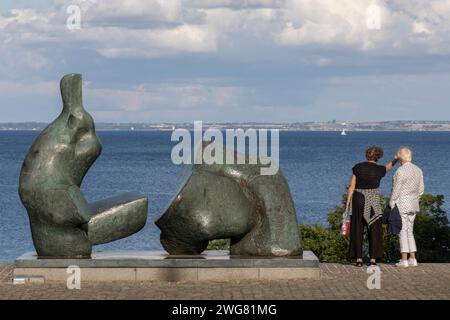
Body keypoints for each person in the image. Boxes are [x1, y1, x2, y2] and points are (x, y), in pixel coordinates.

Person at [345, 146, 399, 267]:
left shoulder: (357, 167)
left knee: (357, 229)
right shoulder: (380, 169)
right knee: (375, 229)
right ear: (378, 157)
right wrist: (395, 159)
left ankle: (358, 259)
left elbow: (351, 187)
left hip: (358, 198)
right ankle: (373, 259)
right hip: (373, 199)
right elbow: (389, 167)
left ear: (366, 155)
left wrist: (347, 203)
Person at [390, 147, 425, 268]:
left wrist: (391, 202)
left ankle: (404, 259)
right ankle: (413, 258)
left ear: (400, 157)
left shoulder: (400, 171)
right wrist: (415, 198)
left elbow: (396, 190)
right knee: (410, 231)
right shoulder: (418, 170)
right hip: (414, 203)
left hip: (402, 203)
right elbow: (421, 190)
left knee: (402, 231)